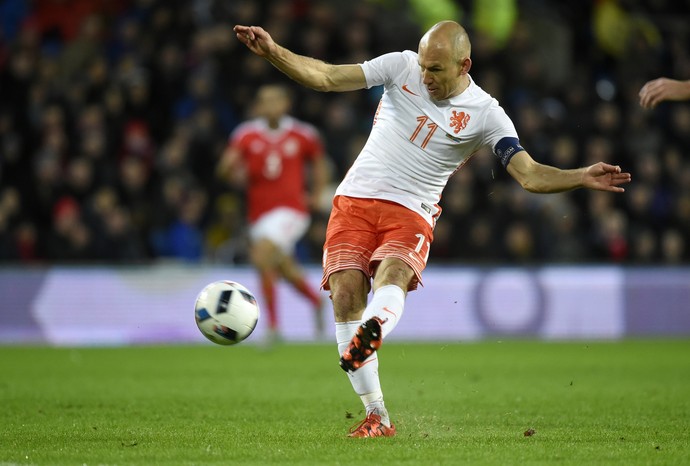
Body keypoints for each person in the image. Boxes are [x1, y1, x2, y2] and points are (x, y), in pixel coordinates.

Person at [233, 20, 632, 438]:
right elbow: (328, 77)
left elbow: (529, 175)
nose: (425, 77)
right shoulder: (399, 66)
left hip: (412, 210)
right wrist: (275, 51)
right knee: (346, 294)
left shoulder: (486, 113)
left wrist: (581, 175)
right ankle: (378, 416)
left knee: (394, 274)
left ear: (465, 65)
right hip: (353, 200)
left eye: (436, 70)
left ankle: (374, 330)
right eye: (424, 66)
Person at [217, 84, 329, 343]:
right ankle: (316, 302)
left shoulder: (303, 134)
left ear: (286, 104)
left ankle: (274, 327)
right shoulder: (246, 134)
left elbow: (319, 163)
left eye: (276, 101)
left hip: (291, 211)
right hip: (259, 215)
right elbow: (225, 167)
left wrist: (316, 194)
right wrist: (231, 172)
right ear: (258, 106)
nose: (271, 107)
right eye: (265, 101)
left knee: (261, 255)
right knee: (281, 267)